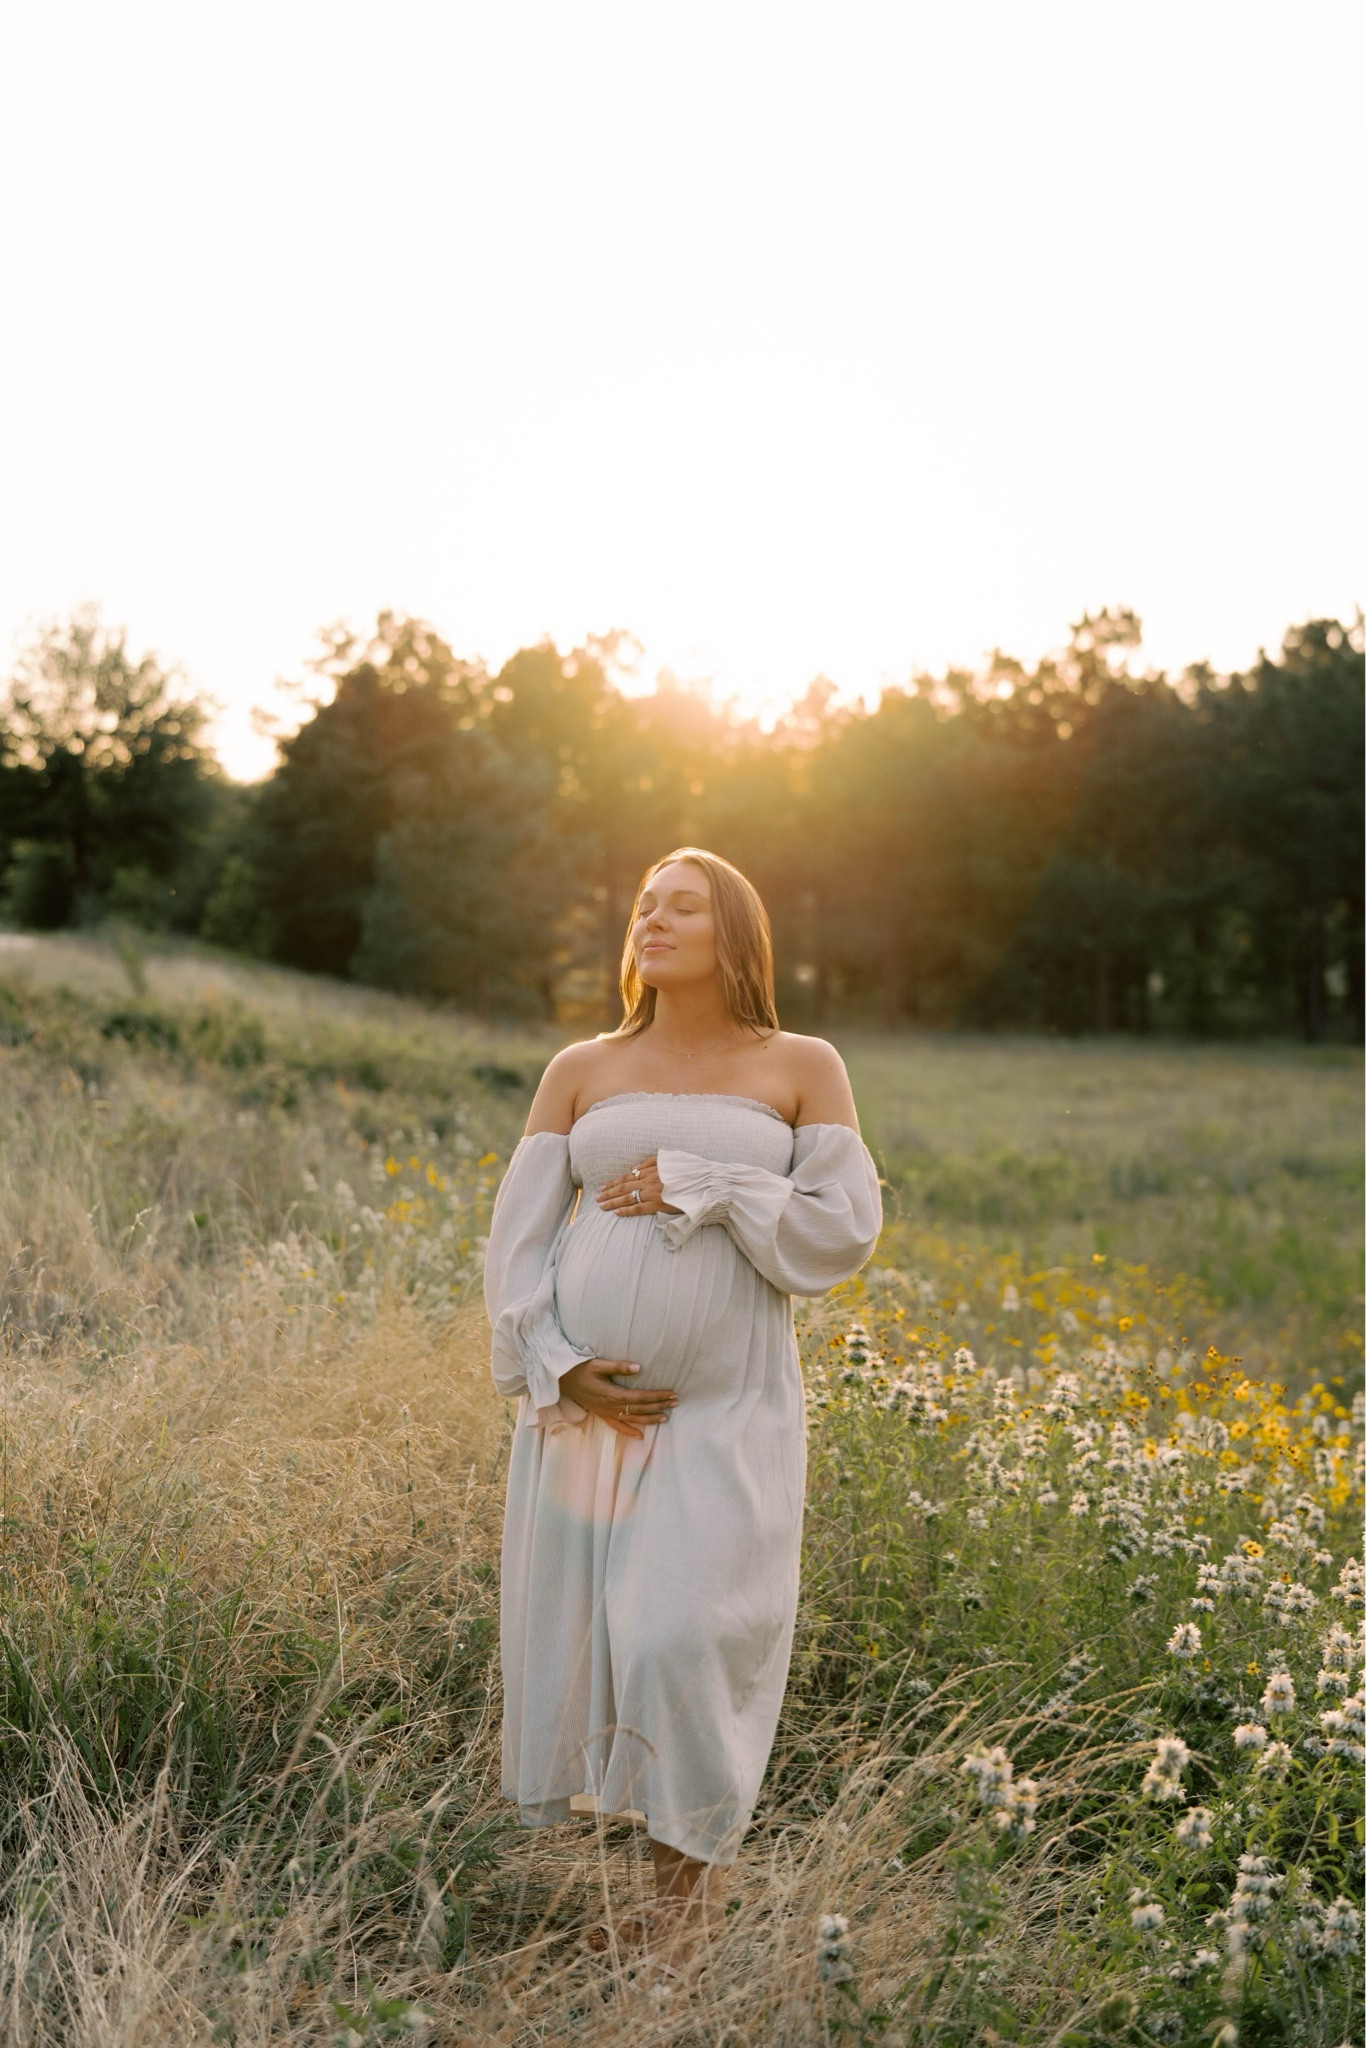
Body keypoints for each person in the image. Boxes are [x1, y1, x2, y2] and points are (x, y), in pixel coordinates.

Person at [484, 847, 881, 1961]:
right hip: (584, 1412)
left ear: (735, 931)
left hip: (727, 1406)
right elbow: (516, 1239)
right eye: (645, 903)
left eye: (683, 903)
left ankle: (680, 1925)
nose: (654, 918)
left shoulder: (799, 1062)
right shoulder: (582, 1065)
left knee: (681, 1638)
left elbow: (840, 1225)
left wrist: (709, 1181)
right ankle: (651, 1930)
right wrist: (556, 1364)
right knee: (591, 1651)